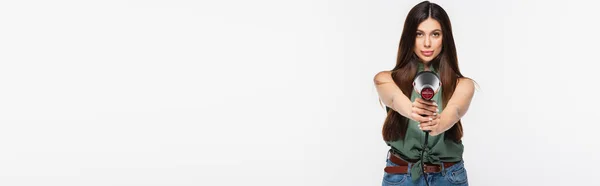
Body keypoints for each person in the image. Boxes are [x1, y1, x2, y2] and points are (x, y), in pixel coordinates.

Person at [373, 1, 476, 186]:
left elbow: (455, 110)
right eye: (419, 34)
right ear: (409, 37)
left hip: (448, 177)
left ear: (445, 38)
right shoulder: (386, 79)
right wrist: (412, 110)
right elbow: (394, 99)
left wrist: (438, 124)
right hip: (401, 176)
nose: (427, 43)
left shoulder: (464, 84)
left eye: (435, 34)